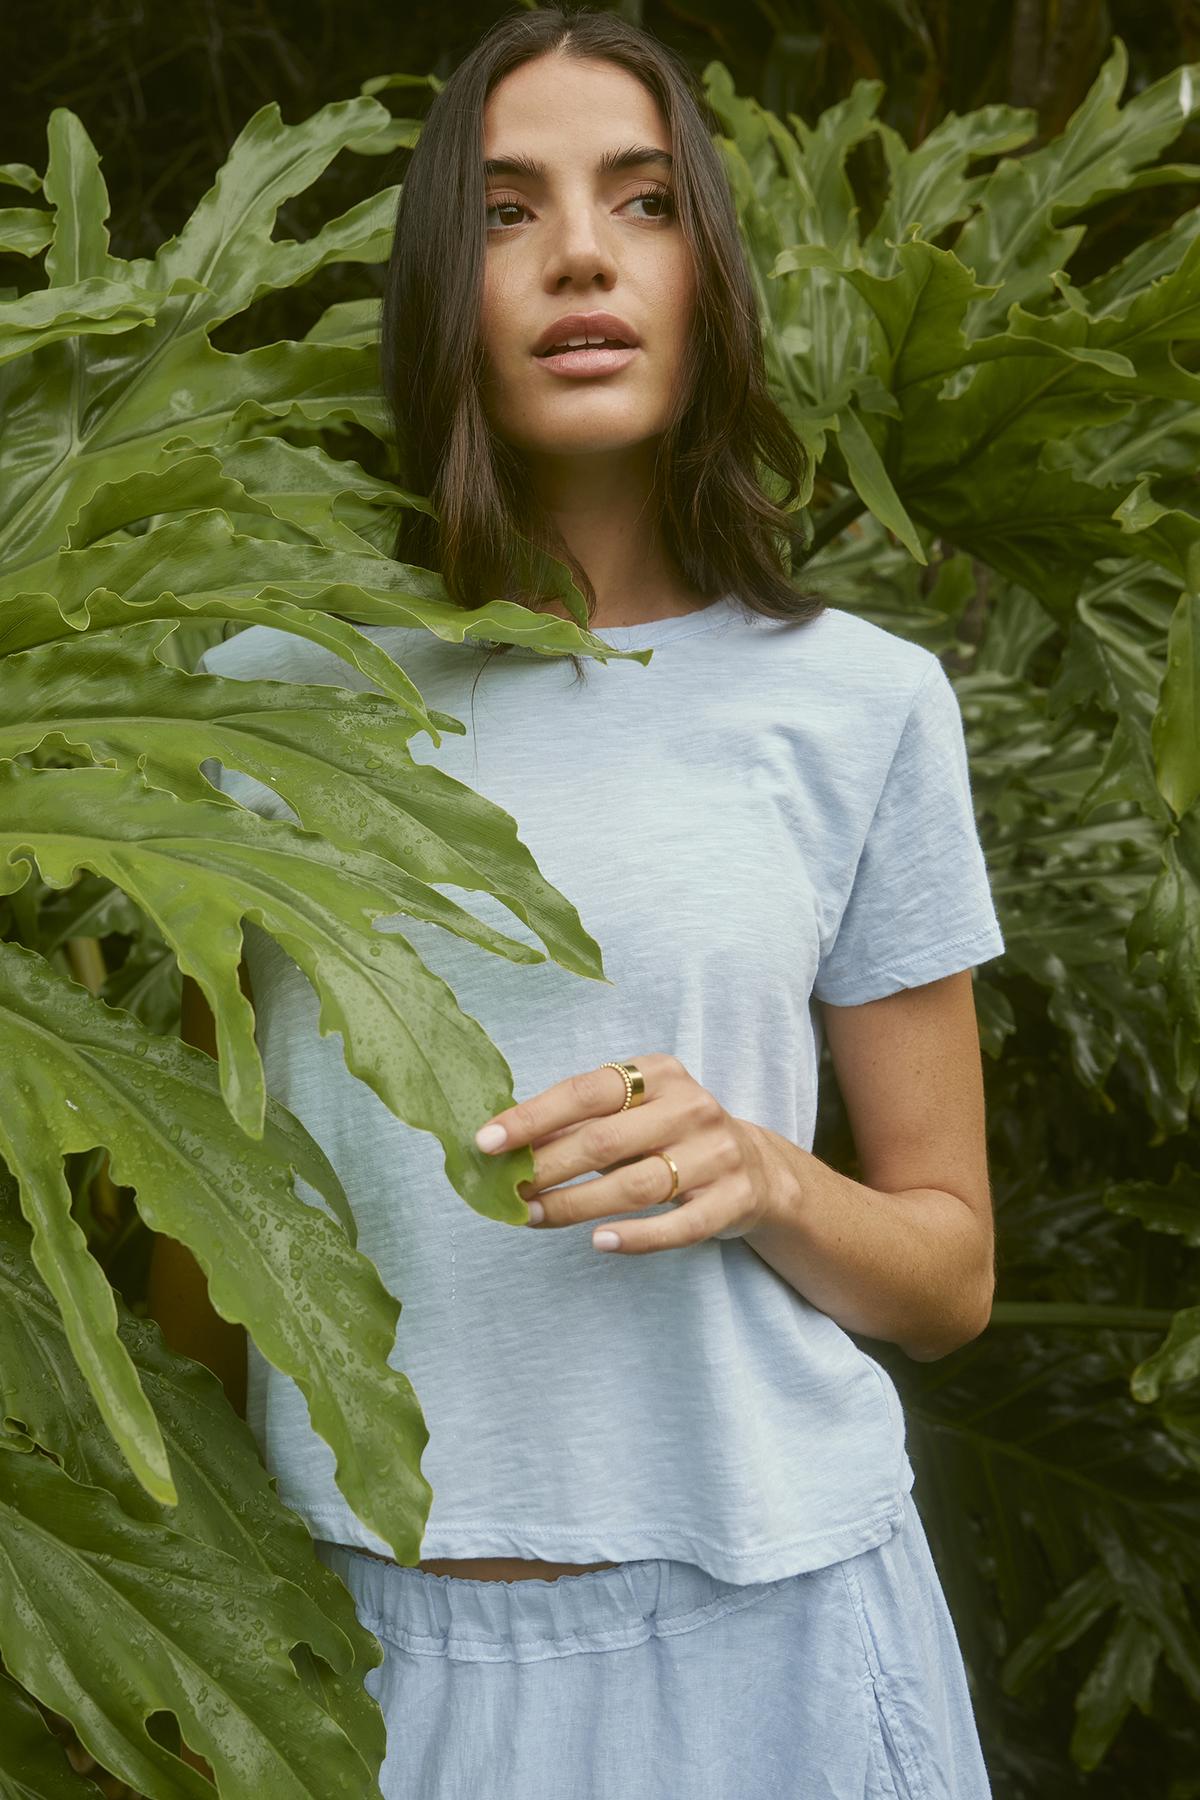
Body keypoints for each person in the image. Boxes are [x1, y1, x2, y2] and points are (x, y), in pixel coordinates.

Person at [169, 6, 1005, 1795]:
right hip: (363, 1659)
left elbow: (950, 1276)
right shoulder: (257, 699)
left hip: (768, 1634)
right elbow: (200, 1233)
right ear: (434, 282)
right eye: (502, 210)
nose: (577, 257)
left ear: (705, 265)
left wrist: (766, 1173)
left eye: (640, 202)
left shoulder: (859, 705)